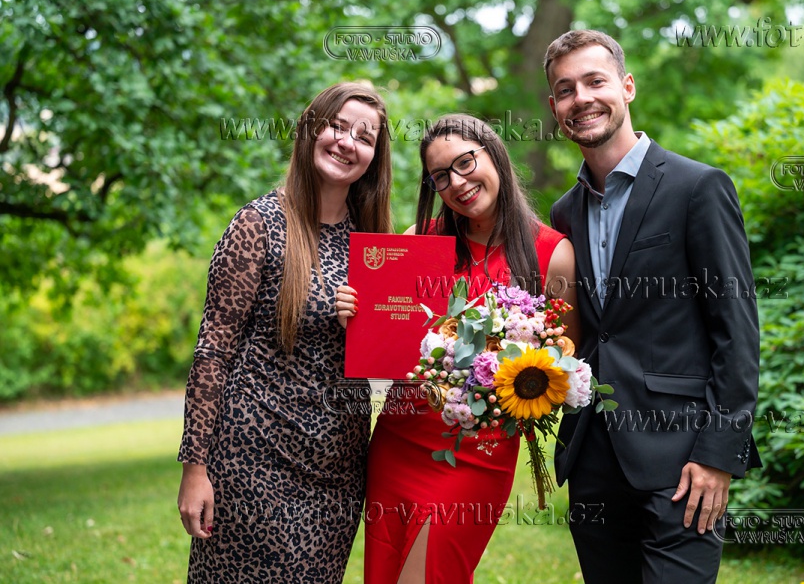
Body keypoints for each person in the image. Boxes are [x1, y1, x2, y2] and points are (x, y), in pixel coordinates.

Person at [544, 30, 761, 583]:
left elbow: (736, 331)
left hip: (682, 461)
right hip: (594, 459)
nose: (581, 98)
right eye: (565, 90)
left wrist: (718, 454)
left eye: (595, 81)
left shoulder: (698, 187)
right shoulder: (564, 212)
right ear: (554, 107)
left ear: (627, 86)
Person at [337, 114, 577, 583]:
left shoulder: (552, 253)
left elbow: (563, 362)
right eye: (440, 176)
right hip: (399, 440)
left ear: (494, 155)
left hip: (474, 454)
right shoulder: (419, 241)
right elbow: (384, 332)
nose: (457, 183)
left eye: (465, 163)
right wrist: (355, 309)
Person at [176, 82, 393, 583]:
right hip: (254, 461)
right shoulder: (258, 225)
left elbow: (389, 361)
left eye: (364, 137)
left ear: (374, 159)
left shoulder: (373, 245)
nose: (347, 142)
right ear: (311, 129)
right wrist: (194, 468)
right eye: (337, 126)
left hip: (337, 471)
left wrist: (366, 327)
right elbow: (212, 352)